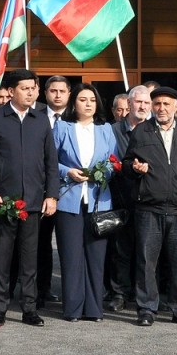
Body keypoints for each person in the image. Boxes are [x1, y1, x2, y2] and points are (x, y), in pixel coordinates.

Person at [0, 68, 59, 326]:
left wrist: (52, 195)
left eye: (34, 88)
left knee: (29, 259)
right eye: (26, 88)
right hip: (4, 202)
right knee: (2, 258)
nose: (31, 92)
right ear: (11, 91)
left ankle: (29, 308)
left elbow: (51, 161)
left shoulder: (40, 120)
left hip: (34, 202)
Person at [124, 86, 177, 326]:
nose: (161, 108)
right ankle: (147, 309)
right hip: (150, 208)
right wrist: (134, 168)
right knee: (147, 262)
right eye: (157, 104)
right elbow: (128, 163)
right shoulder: (142, 132)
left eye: (166, 104)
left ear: (175, 107)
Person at [53, 82, 119, 322]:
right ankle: (72, 308)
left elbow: (114, 162)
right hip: (68, 199)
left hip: (99, 201)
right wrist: (67, 171)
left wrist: (102, 172)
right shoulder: (62, 128)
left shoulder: (106, 130)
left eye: (92, 100)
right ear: (74, 103)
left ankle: (94, 309)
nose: (88, 104)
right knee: (71, 256)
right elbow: (50, 161)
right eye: (83, 99)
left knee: (95, 256)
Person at [104, 85, 151, 313]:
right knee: (120, 250)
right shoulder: (111, 131)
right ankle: (119, 293)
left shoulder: (155, 130)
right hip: (121, 198)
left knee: (146, 251)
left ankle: (143, 295)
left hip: (150, 200)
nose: (142, 106)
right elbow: (104, 161)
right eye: (138, 102)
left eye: (146, 103)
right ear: (129, 104)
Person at [36, 75, 72, 308]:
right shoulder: (35, 117)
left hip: (71, 193)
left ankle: (72, 292)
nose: (57, 95)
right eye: (52, 91)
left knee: (70, 245)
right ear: (45, 93)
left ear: (69, 94)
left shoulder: (79, 117)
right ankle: (42, 289)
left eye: (62, 91)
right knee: (40, 244)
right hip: (40, 192)